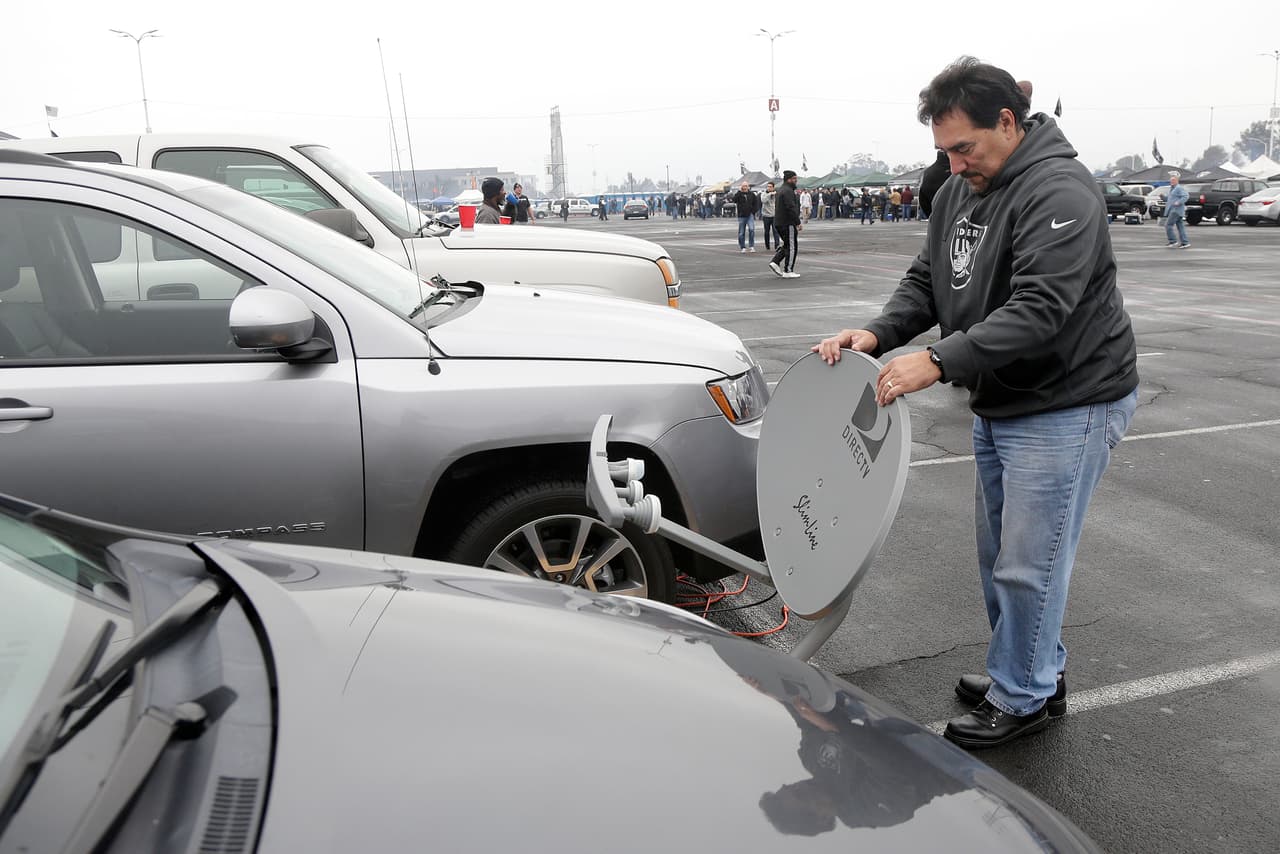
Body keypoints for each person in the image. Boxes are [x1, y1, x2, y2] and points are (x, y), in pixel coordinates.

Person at [812, 56, 1139, 750]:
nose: (954, 165)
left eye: (965, 148)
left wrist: (936, 359)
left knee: (1030, 562)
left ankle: (1022, 695)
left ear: (1008, 122)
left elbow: (1041, 307)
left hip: (1068, 399)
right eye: (944, 151)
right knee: (1003, 555)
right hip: (1004, 398)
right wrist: (879, 332)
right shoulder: (961, 189)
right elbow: (929, 279)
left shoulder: (1059, 191)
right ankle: (1029, 669)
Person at [768, 170, 802, 279]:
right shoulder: (788, 191)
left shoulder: (781, 190)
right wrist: (797, 222)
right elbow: (790, 208)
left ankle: (775, 261)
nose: (796, 181)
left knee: (787, 245)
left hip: (779, 222)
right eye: (794, 179)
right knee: (792, 246)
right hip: (787, 223)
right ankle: (788, 270)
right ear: (789, 179)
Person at [1164, 172, 1190, 248]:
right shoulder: (1172, 189)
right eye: (1171, 180)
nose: (1171, 181)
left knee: (1168, 225)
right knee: (1180, 226)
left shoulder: (1178, 188)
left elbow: (1186, 196)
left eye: (1173, 180)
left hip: (1176, 211)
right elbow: (1170, 199)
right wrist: (1163, 197)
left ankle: (1173, 241)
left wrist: (1178, 202)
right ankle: (1185, 242)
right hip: (1175, 210)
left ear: (1177, 180)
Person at [733, 181, 760, 252]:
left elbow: (756, 203)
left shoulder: (751, 194)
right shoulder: (739, 194)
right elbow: (734, 200)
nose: (745, 187)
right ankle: (742, 247)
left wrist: (753, 212)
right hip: (741, 215)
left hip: (750, 215)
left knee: (752, 230)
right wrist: (739, 192)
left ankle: (751, 246)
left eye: (746, 186)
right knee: (741, 232)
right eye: (743, 186)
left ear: (748, 187)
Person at [761, 181, 778, 251]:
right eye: (768, 186)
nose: (769, 188)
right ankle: (767, 245)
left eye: (770, 187)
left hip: (774, 215)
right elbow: (763, 200)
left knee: (775, 231)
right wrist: (770, 194)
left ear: (773, 187)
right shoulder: (764, 194)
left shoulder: (776, 194)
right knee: (767, 231)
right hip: (766, 216)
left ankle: (777, 245)